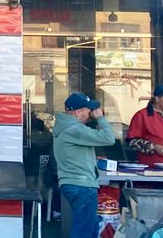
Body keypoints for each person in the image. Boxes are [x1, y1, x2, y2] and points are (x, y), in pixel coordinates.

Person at [53, 92, 115, 238]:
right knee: (84, 231)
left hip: (71, 182)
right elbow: (109, 138)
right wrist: (101, 118)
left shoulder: (64, 127)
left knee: (90, 228)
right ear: (78, 112)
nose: (90, 114)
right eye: (88, 110)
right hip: (82, 185)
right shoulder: (75, 129)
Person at [127, 83, 163, 165]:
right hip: (152, 169)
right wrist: (154, 147)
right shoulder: (141, 115)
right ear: (157, 99)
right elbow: (132, 141)